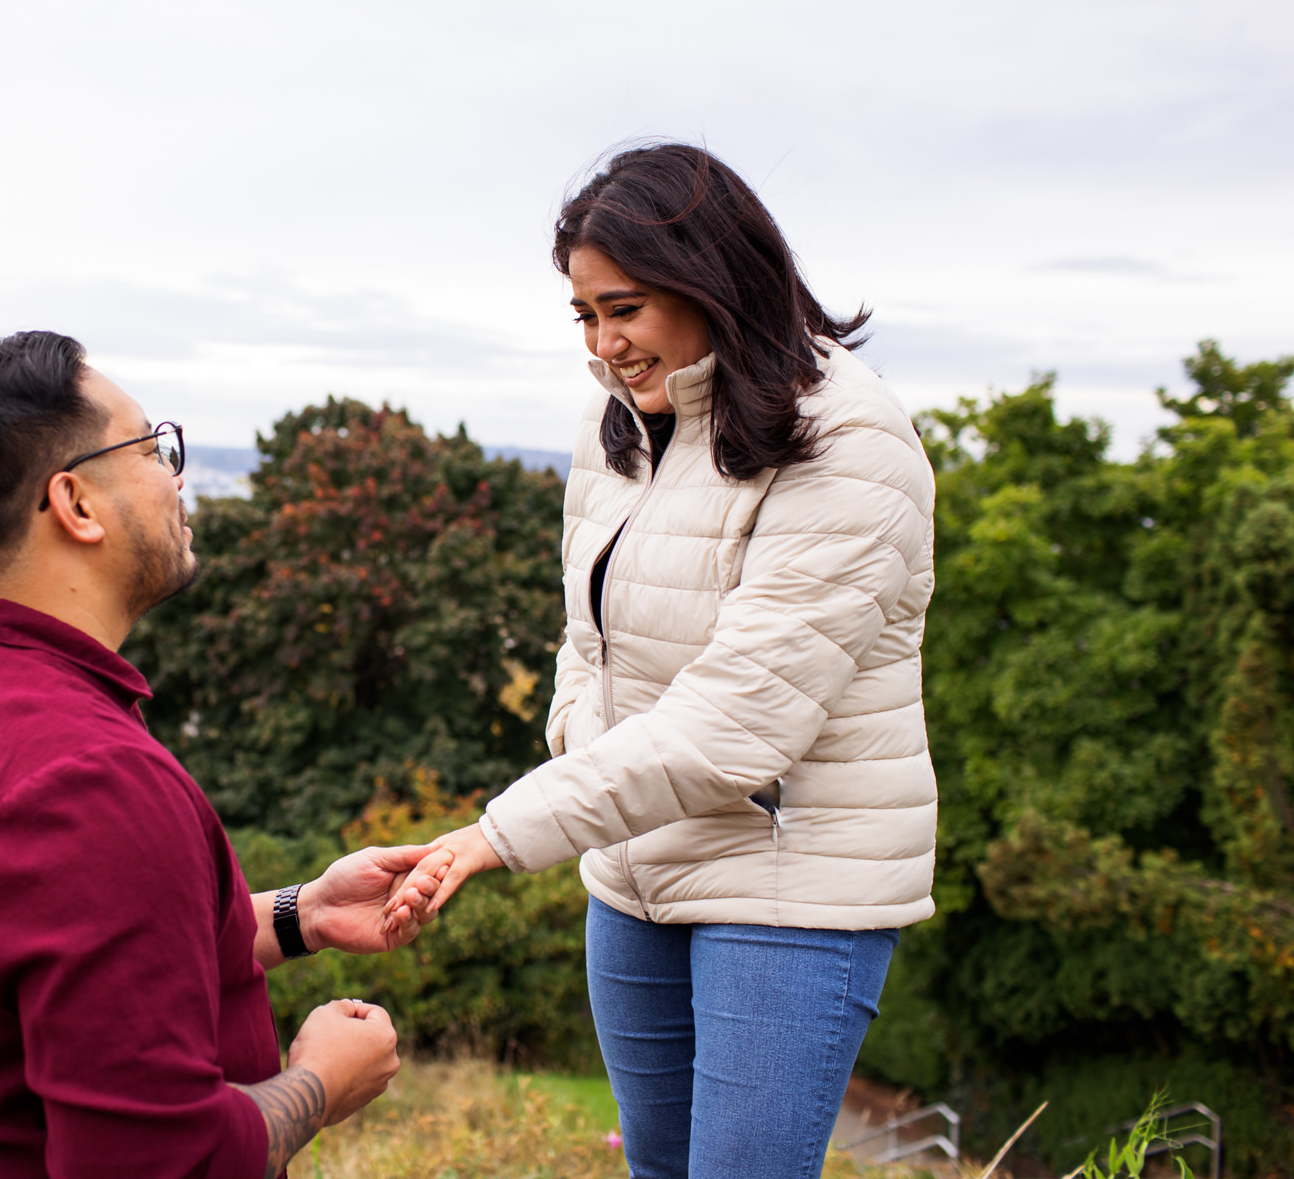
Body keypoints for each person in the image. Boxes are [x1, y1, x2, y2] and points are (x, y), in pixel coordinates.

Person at [388, 144, 937, 1178]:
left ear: (712, 279)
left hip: (788, 878)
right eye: (584, 316)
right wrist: (573, 736)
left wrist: (504, 831)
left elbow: (741, 723)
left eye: (624, 308)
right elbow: (585, 639)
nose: (603, 345)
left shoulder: (851, 439)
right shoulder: (622, 427)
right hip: (635, 872)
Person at [0, 330, 445, 1178]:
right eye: (152, 448)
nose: (176, 475)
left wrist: (300, 914)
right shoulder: (80, 780)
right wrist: (321, 1082)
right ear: (76, 504)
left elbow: (67, 975)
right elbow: (159, 1161)